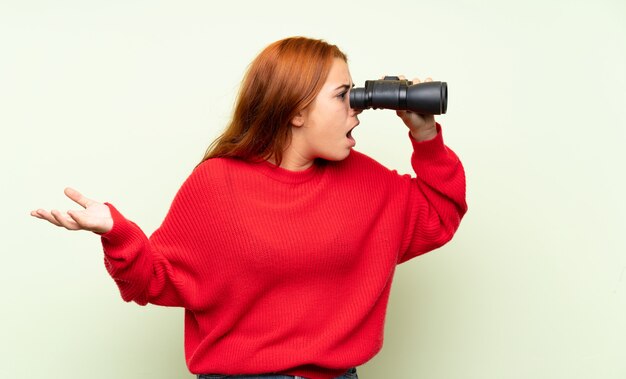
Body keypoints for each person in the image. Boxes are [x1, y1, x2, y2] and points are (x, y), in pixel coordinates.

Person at [31, 36, 467, 379]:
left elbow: (441, 213)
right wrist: (117, 232)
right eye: (343, 96)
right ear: (296, 111)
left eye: (356, 95)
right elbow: (155, 281)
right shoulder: (218, 184)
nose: (358, 110)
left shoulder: (367, 182)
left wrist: (426, 135)